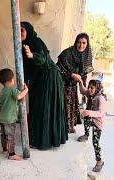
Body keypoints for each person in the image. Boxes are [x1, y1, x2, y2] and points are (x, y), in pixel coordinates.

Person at [21, 21, 68, 150]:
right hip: (40, 78)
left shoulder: (36, 42)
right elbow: (26, 67)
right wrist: (25, 81)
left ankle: (43, 141)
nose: (20, 33)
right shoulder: (24, 45)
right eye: (18, 30)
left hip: (50, 77)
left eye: (22, 30)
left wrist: (33, 55)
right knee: (37, 106)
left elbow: (43, 59)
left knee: (44, 107)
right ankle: (36, 137)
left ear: (28, 31)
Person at [57, 33, 94, 133]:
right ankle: (61, 128)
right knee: (63, 104)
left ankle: (69, 126)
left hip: (72, 86)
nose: (81, 45)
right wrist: (71, 75)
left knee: (71, 104)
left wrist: (86, 91)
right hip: (61, 83)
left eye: (84, 43)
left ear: (87, 44)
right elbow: (58, 70)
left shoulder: (86, 56)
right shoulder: (67, 54)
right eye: (79, 42)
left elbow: (83, 75)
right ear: (75, 42)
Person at [0, 68, 28, 160]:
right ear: (11, 80)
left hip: (2, 118)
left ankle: (4, 149)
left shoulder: (2, 91)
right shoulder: (12, 90)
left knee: (4, 134)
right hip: (10, 118)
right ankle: (11, 154)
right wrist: (26, 90)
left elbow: (0, 103)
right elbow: (19, 96)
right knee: (10, 136)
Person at [77, 79, 107, 172]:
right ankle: (86, 134)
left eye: (92, 88)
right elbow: (82, 91)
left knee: (95, 143)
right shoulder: (91, 94)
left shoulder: (100, 98)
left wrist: (88, 112)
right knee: (86, 118)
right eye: (89, 87)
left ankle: (99, 161)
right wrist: (80, 82)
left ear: (97, 88)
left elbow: (101, 113)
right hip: (92, 119)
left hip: (98, 123)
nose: (89, 89)